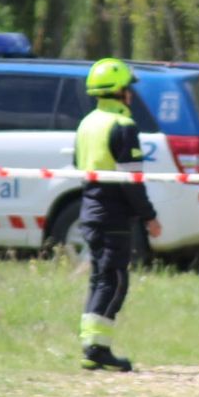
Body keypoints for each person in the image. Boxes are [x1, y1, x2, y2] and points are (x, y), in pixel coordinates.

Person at [74, 58, 161, 372]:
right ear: (120, 91)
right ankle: (97, 349)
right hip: (113, 215)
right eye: (129, 89)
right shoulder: (123, 126)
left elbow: (79, 164)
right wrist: (149, 215)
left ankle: (92, 346)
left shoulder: (87, 123)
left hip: (89, 209)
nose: (131, 95)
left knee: (100, 278)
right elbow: (131, 180)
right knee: (114, 280)